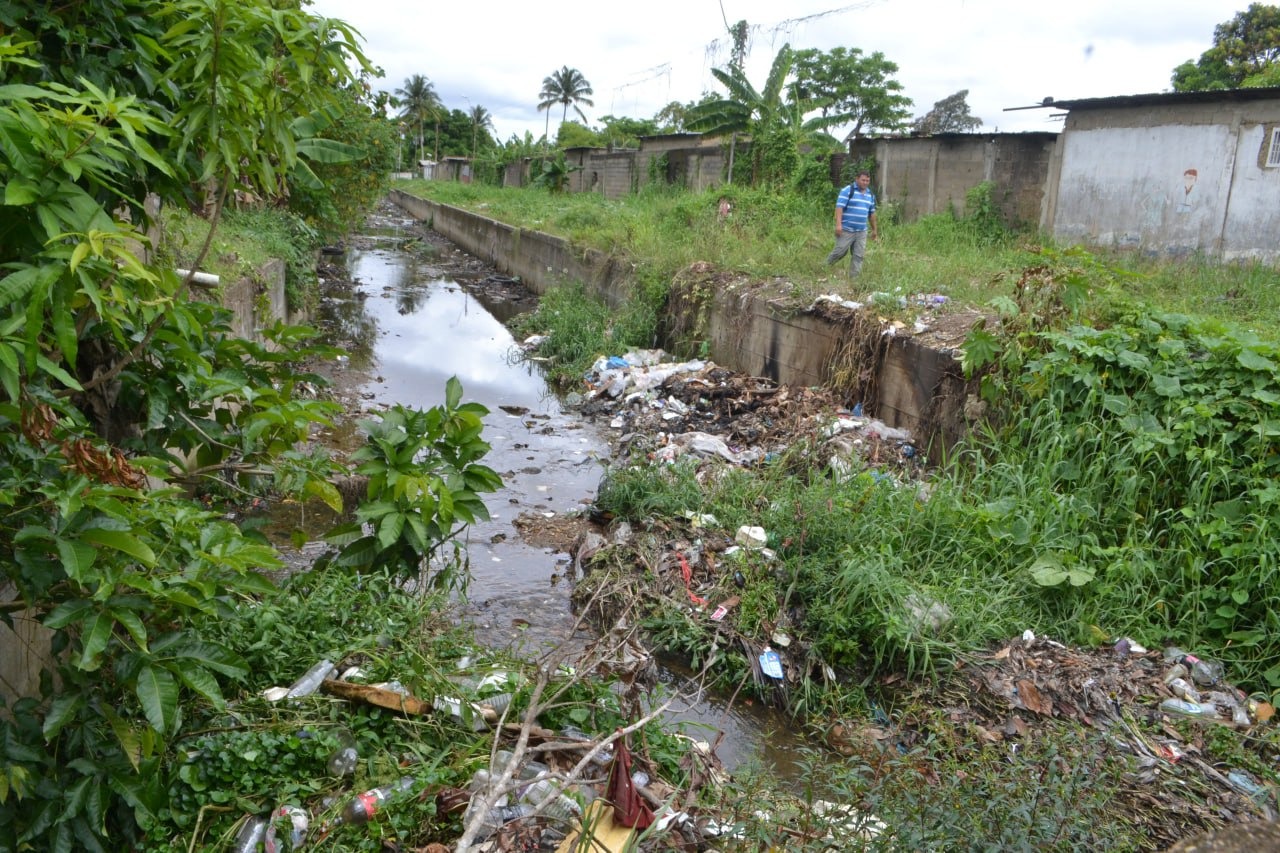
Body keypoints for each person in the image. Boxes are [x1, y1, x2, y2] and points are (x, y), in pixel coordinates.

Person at [826, 170, 879, 278]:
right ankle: (825, 266)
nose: (865, 183)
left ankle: (854, 279)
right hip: (846, 229)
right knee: (840, 252)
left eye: (867, 181)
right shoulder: (847, 191)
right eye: (863, 180)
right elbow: (839, 208)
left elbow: (872, 214)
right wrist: (838, 225)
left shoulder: (870, 195)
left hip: (861, 231)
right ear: (857, 179)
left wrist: (874, 230)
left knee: (858, 255)